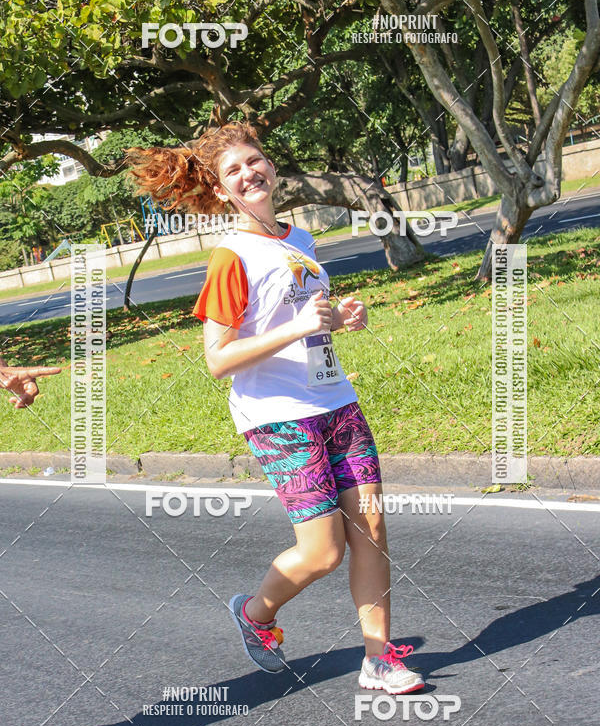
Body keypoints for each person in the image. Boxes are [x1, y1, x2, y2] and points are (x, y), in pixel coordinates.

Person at [126, 123, 424, 695]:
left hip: (336, 400)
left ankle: (380, 658)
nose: (249, 173)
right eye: (233, 170)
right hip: (279, 417)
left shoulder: (299, 240)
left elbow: (303, 317)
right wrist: (297, 327)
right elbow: (218, 358)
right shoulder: (230, 257)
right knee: (323, 552)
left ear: (271, 166)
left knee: (374, 527)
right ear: (219, 189)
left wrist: (338, 318)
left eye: (254, 160)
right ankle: (256, 613)